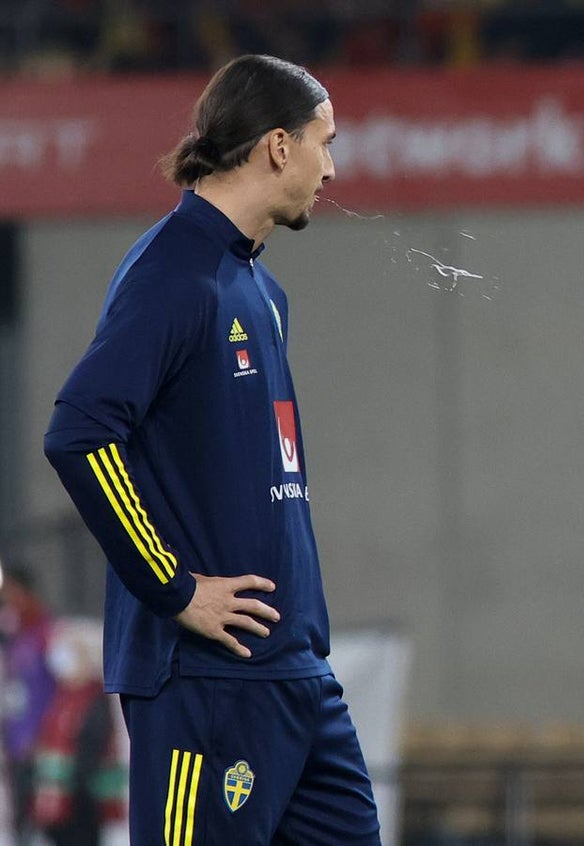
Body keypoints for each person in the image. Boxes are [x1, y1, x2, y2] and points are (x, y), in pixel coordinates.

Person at [43, 54, 382, 845]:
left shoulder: (262, 290)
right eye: (323, 143)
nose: (331, 168)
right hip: (205, 684)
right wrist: (173, 587)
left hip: (297, 677)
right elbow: (79, 431)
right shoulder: (171, 273)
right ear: (276, 147)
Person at [31, 621, 126, 846]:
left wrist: (73, 784)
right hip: (57, 800)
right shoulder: (62, 696)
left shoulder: (94, 699)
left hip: (82, 801)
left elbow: (93, 747)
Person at [0, 565, 57, 846]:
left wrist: (46, 736)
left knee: (46, 821)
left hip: (41, 745)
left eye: (11, 592)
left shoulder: (45, 633)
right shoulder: (14, 635)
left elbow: (61, 686)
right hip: (16, 743)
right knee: (20, 820)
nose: (8, 599)